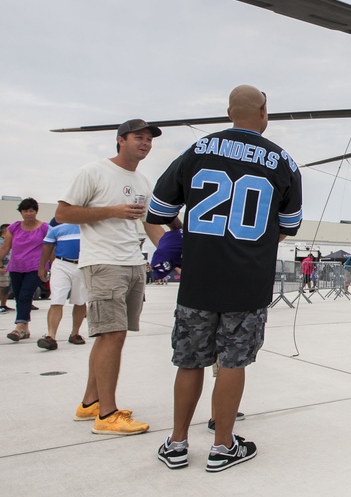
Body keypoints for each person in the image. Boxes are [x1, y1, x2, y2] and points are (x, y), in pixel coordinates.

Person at [148, 85, 302, 472]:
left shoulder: (196, 152)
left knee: (189, 362)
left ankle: (177, 442)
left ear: (229, 112)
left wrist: (189, 239)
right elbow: (287, 226)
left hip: (199, 280)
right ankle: (222, 446)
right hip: (247, 283)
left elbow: (159, 209)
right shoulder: (283, 162)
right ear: (264, 111)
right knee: (233, 364)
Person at [56, 119, 165, 434]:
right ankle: (107, 415)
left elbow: (149, 224)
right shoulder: (94, 172)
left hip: (132, 263)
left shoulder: (143, 181)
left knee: (112, 336)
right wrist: (111, 211)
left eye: (149, 139)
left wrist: (173, 253)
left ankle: (90, 403)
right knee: (112, 335)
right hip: (103, 263)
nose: (145, 143)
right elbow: (63, 213)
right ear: (121, 140)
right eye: (138, 137)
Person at [0, 198, 49, 341]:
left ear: (36, 211)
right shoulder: (14, 227)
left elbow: (50, 248)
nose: (28, 214)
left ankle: (19, 326)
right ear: (21, 212)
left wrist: (51, 265)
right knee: (18, 296)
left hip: (35, 267)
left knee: (26, 295)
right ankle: (25, 329)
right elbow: (5, 247)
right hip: (16, 267)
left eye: (31, 210)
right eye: (25, 211)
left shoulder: (44, 228)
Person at [36, 219, 88, 350]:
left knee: (80, 301)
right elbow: (47, 246)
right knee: (57, 299)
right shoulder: (56, 222)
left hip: (83, 265)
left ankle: (75, 333)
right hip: (61, 264)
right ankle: (51, 336)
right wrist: (42, 266)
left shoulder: (90, 221)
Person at [0, 223, 10, 312]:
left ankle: (3, 305)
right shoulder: (1, 241)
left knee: (7, 286)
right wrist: (1, 266)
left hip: (10, 267)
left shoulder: (9, 240)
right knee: (1, 286)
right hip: (3, 266)